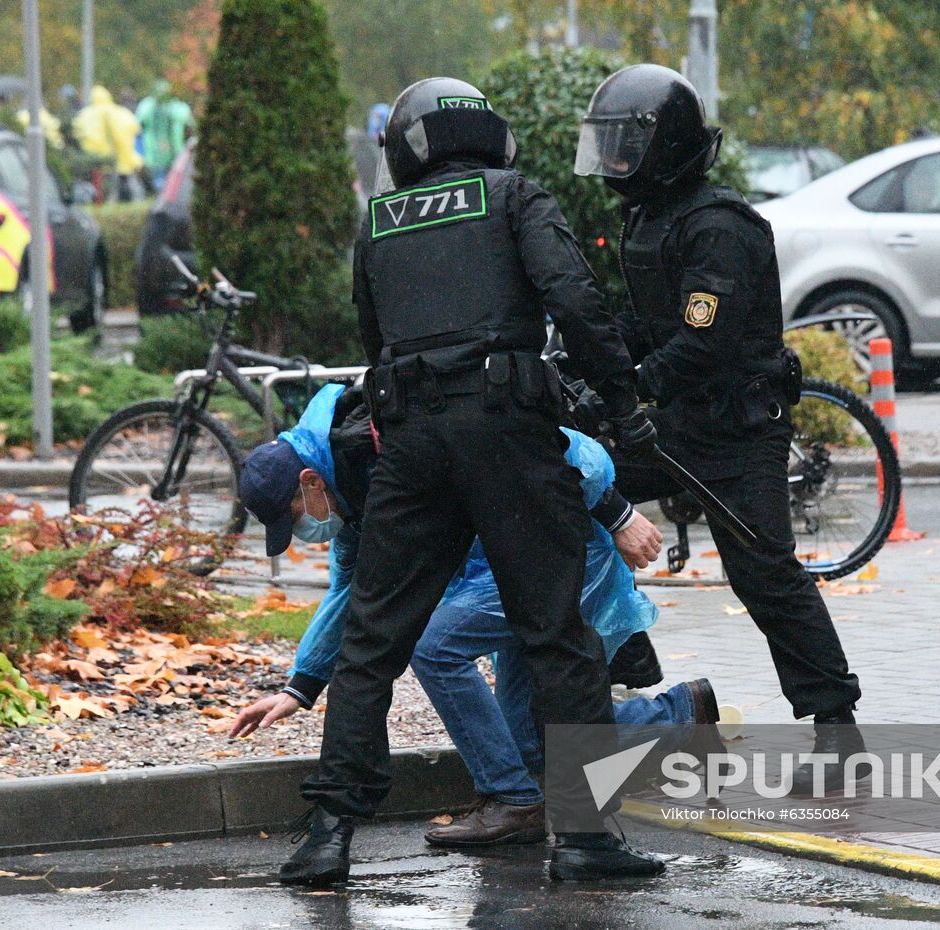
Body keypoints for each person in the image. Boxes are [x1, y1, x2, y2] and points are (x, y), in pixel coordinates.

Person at [278, 76, 664, 886]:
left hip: (412, 447)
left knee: (373, 644)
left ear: (407, 145)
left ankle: (328, 835)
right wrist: (625, 405)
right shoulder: (515, 195)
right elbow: (574, 299)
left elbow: (374, 338)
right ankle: (588, 841)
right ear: (489, 133)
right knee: (556, 636)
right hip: (509, 435)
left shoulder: (379, 220)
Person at [232, 385, 720, 847]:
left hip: (555, 544)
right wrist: (301, 686)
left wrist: (618, 515)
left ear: (310, 481)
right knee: (525, 739)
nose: (301, 531)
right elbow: (349, 592)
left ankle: (510, 800)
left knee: (435, 646)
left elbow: (554, 444)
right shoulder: (349, 496)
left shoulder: (385, 443)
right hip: (501, 563)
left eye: (294, 516)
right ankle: (684, 714)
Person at [573, 64, 863, 797]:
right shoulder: (648, 218)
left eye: (622, 146)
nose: (611, 163)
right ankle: (627, 658)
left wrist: (631, 385)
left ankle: (838, 728)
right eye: (603, 146)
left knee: (764, 571)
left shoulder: (720, 227)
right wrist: (587, 358)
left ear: (660, 146)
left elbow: (706, 342)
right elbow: (647, 322)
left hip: (736, 432)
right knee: (572, 491)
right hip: (675, 426)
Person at [72, 85, 144, 202]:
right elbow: (134, 130)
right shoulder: (119, 112)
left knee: (97, 188)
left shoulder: (83, 115)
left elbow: (75, 133)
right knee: (125, 186)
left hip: (90, 159)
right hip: (117, 158)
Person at [136, 80, 195, 191]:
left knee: (163, 175)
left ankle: (162, 194)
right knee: (168, 175)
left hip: (162, 150)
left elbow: (137, 127)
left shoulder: (147, 106)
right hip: (162, 150)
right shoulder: (179, 107)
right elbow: (190, 129)